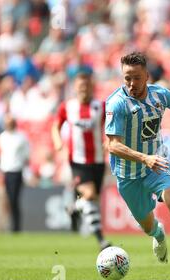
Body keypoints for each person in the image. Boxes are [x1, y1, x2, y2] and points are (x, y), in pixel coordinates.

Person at [105, 52, 170, 280]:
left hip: (157, 165)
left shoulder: (160, 95)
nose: (132, 84)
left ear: (147, 76)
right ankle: (157, 234)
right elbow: (113, 146)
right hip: (128, 175)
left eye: (137, 78)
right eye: (127, 78)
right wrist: (144, 158)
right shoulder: (116, 103)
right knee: (147, 225)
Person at [51, 66, 111, 251]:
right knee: (90, 194)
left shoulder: (100, 106)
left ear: (91, 87)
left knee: (93, 200)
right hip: (77, 160)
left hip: (98, 161)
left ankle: (73, 208)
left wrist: (109, 139)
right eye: (80, 87)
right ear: (75, 88)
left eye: (86, 87)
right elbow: (56, 126)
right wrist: (57, 142)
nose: (83, 90)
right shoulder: (67, 107)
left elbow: (110, 126)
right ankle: (101, 240)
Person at [0, 114, 29, 232]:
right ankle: (4, 226)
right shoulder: (2, 137)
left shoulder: (21, 137)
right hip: (5, 172)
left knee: (14, 200)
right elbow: (0, 155)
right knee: (6, 201)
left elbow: (26, 155)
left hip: (16, 171)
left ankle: (16, 228)